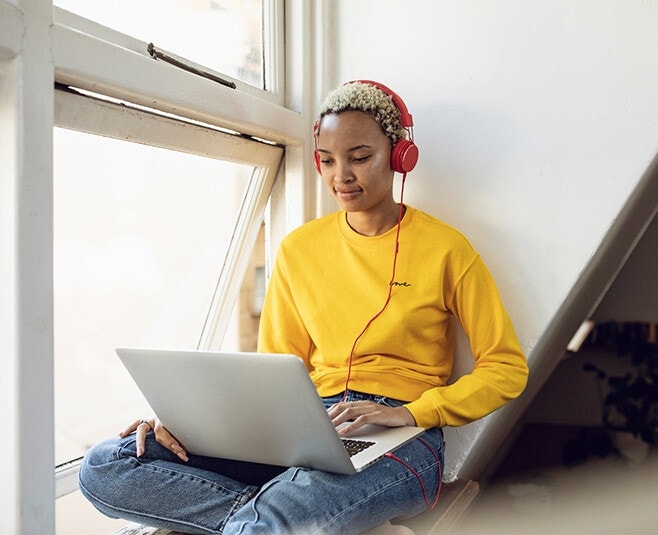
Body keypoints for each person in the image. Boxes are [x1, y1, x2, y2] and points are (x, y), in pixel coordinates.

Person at [79, 80, 529, 535]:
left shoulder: (447, 249)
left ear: (399, 156)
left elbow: (506, 368)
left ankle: (283, 519)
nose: (342, 177)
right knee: (105, 466)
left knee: (273, 520)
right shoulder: (299, 250)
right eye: (328, 161)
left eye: (359, 158)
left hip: (404, 437)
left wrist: (411, 412)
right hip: (305, 425)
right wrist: (189, 421)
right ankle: (310, 522)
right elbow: (276, 368)